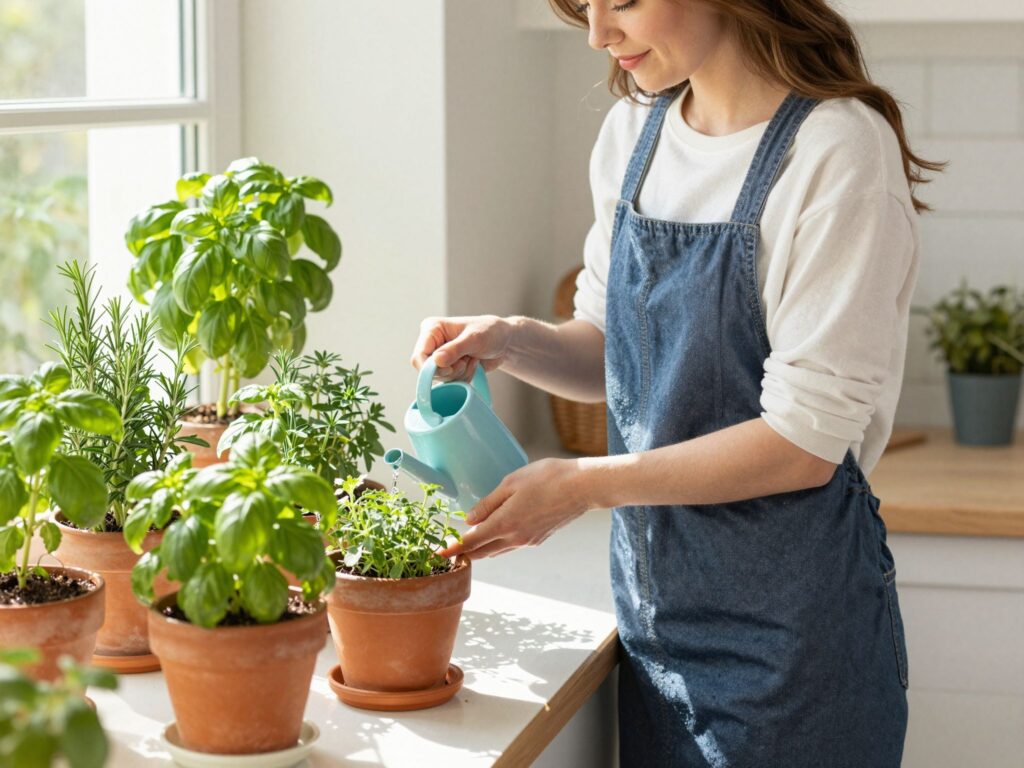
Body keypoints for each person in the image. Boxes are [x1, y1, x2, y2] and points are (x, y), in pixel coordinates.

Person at [412, 1, 941, 765]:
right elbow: (609, 351)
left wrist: (582, 485)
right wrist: (509, 339)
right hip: (655, 632)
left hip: (794, 649)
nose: (598, 34)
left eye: (623, 0)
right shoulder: (635, 132)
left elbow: (803, 444)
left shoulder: (837, 151)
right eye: (584, 4)